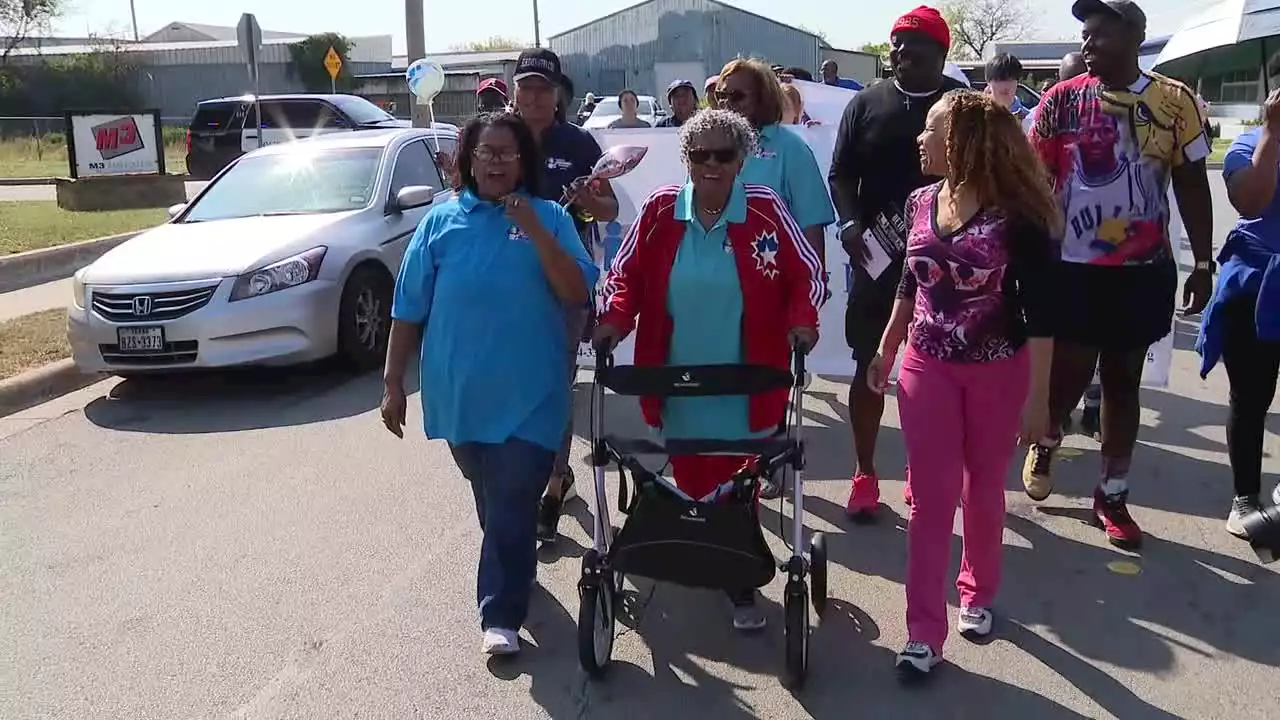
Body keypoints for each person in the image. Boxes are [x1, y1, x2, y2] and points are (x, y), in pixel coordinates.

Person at [592, 108, 826, 631]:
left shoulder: (765, 209)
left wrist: (803, 322)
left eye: (725, 154)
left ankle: (738, 577)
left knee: (738, 485)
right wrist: (612, 320)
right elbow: (623, 275)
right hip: (678, 380)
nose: (713, 165)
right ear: (687, 160)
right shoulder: (658, 211)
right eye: (702, 155)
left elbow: (804, 273)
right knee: (694, 476)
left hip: (748, 380)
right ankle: (699, 555)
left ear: (742, 159)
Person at [380, 112, 598, 656]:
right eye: (486, 152)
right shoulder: (440, 221)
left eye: (507, 152)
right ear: (468, 161)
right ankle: (515, 561)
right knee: (493, 499)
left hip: (533, 395)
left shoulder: (551, 216)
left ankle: (499, 613)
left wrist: (536, 227)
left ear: (524, 161)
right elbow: (408, 307)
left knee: (511, 497)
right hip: (461, 395)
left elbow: (576, 290)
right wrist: (392, 384)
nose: (496, 161)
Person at [868, 89, 1058, 678]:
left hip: (999, 370)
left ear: (964, 142)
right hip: (927, 366)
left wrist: (1039, 403)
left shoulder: (1018, 217)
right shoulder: (922, 199)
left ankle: (976, 589)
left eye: (931, 130)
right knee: (929, 499)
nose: (920, 139)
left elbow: (1045, 317)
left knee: (982, 488)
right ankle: (923, 632)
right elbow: (909, 281)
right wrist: (887, 346)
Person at [1024, 0, 1214, 549]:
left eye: (1098, 34)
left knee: (1123, 381)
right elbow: (1036, 184)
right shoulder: (1062, 100)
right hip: (1075, 270)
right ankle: (1049, 435)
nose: (1086, 44)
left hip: (1143, 271)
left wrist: (1202, 262)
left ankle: (1112, 496)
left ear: (1133, 35)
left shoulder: (1176, 103)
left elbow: (1194, 184)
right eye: (1082, 35)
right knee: (1073, 371)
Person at [829, 5, 968, 520]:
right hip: (878, 258)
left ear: (941, 53)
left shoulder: (962, 109)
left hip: (949, 262)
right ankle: (865, 473)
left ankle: (921, 468)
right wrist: (848, 225)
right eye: (896, 43)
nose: (901, 53)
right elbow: (841, 174)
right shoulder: (865, 103)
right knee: (871, 363)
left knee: (933, 374)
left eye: (914, 45)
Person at [508, 47, 621, 544]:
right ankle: (522, 473)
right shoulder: (498, 138)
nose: (533, 97)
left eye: (542, 89)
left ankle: (553, 481)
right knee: (513, 383)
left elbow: (608, 208)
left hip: (563, 284)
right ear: (514, 91)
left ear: (557, 95)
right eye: (525, 87)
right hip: (503, 284)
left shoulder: (577, 142)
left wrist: (593, 200)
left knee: (555, 382)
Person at [716, 57, 834, 496]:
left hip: (770, 290)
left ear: (762, 97)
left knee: (765, 382)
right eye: (722, 95)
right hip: (715, 289)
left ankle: (765, 462)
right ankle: (727, 460)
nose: (727, 103)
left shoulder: (788, 148)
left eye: (738, 95)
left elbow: (810, 224)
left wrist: (810, 287)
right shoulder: (712, 144)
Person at [1197, 87, 1280, 537]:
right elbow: (1250, 201)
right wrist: (1273, 133)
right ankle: (1244, 496)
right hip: (1255, 289)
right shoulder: (1249, 145)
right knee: (1251, 398)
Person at [984, 53, 1029, 121]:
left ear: (1017, 82)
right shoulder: (977, 117)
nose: (1004, 85)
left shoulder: (1029, 118)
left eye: (1010, 79)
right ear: (988, 82)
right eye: (998, 80)